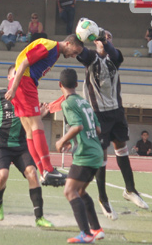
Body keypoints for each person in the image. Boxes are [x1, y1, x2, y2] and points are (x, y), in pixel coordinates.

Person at [76, 28, 148, 220]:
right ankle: (103, 199)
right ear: (94, 41)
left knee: (122, 148)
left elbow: (113, 52)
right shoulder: (90, 57)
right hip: (98, 114)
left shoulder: (115, 57)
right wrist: (82, 35)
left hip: (116, 111)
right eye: (102, 38)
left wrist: (104, 40)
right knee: (102, 156)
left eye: (109, 37)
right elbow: (80, 53)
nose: (105, 40)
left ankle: (130, 190)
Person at [0, 64, 53, 227]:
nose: (18, 78)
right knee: (2, 176)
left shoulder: (29, 97)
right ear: (9, 78)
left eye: (21, 75)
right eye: (15, 74)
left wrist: (39, 115)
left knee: (32, 174)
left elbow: (33, 122)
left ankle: (39, 217)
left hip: (22, 144)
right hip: (2, 144)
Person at [5, 35, 84, 186]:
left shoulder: (54, 52)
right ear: (68, 43)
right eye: (75, 51)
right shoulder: (49, 46)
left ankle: (43, 172)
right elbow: (23, 64)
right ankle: (48, 168)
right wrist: (14, 88)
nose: (74, 56)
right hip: (24, 83)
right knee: (37, 126)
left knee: (29, 131)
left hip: (23, 84)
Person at [55, 68, 104, 243]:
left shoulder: (67, 103)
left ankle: (86, 233)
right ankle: (96, 229)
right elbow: (97, 129)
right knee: (81, 191)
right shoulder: (84, 103)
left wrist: (61, 141)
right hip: (96, 152)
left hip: (85, 155)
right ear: (76, 84)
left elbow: (77, 127)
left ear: (60, 85)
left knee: (69, 191)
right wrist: (73, 140)